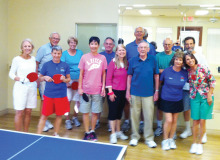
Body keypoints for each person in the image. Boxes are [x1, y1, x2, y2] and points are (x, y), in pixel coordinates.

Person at [126, 41, 159, 148]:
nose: (143, 49)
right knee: (134, 116)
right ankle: (135, 137)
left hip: (149, 93)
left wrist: (157, 91)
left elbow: (156, 76)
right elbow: (129, 76)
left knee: (149, 117)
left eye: (145, 47)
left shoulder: (153, 60)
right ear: (138, 49)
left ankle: (149, 138)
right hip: (135, 92)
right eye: (141, 47)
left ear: (148, 49)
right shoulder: (132, 60)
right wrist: (128, 91)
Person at [183, 53, 215, 155]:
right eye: (187, 59)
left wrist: (209, 95)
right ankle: (194, 143)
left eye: (191, 58)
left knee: (202, 121)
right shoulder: (187, 71)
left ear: (194, 59)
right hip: (194, 97)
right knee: (195, 121)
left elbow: (212, 81)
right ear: (186, 62)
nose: (190, 60)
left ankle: (200, 143)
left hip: (206, 97)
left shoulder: (203, 68)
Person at [78, 36, 107, 141]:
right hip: (85, 90)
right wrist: (79, 87)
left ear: (98, 45)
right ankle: (86, 132)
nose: (93, 46)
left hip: (97, 90)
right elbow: (81, 74)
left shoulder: (102, 58)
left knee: (95, 113)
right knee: (85, 112)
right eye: (92, 44)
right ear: (89, 45)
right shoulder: (84, 57)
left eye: (96, 44)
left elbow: (104, 74)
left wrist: (103, 87)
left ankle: (92, 131)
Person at [37, 46, 70, 136]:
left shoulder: (65, 65)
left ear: (61, 54)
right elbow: (39, 78)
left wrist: (64, 79)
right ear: (52, 54)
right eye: (55, 53)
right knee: (44, 115)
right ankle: (38, 134)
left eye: (58, 53)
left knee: (59, 116)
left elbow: (68, 79)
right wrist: (44, 77)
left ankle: (55, 133)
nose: (56, 55)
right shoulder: (46, 65)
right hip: (49, 95)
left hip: (61, 95)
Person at [180, 37, 208, 142]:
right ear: (184, 45)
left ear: (194, 44)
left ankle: (203, 133)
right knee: (186, 109)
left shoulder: (201, 56)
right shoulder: (182, 56)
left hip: (199, 90)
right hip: (186, 88)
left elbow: (206, 72)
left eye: (191, 43)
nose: (189, 46)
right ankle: (188, 129)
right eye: (187, 44)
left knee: (201, 111)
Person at [159, 52, 188, 150]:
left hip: (178, 99)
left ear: (183, 62)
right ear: (173, 60)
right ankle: (165, 140)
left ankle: (171, 139)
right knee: (169, 120)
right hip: (166, 98)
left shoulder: (185, 73)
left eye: (180, 60)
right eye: (176, 59)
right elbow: (160, 82)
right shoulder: (166, 71)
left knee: (175, 120)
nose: (178, 61)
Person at [9, 39, 37, 132]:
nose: (27, 48)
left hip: (31, 87)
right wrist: (20, 79)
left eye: (29, 46)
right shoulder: (16, 59)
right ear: (22, 48)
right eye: (25, 46)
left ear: (31, 48)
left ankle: (25, 133)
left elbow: (35, 74)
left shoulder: (33, 59)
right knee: (19, 112)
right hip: (20, 88)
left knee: (28, 111)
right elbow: (11, 74)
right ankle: (18, 134)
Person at [36, 32, 61, 132]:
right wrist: (37, 79)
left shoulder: (58, 48)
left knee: (50, 101)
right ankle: (42, 121)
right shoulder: (43, 48)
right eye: (54, 38)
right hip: (43, 78)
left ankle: (45, 120)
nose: (55, 40)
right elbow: (36, 63)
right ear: (49, 38)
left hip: (53, 80)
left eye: (57, 38)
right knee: (44, 100)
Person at [106, 44, 128, 144]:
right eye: (119, 50)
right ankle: (113, 134)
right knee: (113, 113)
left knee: (119, 113)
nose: (121, 52)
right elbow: (108, 79)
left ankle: (118, 131)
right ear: (116, 52)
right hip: (113, 91)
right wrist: (110, 92)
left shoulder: (126, 63)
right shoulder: (112, 63)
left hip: (123, 92)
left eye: (123, 50)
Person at [61, 36, 83, 130]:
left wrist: (81, 81)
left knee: (77, 101)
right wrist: (66, 81)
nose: (73, 44)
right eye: (71, 42)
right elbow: (62, 68)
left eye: (74, 42)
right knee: (68, 101)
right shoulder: (64, 54)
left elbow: (83, 67)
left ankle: (75, 117)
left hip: (78, 80)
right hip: (68, 80)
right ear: (69, 43)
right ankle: (67, 120)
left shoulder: (80, 53)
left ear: (76, 43)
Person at [155, 38, 175, 137]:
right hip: (161, 85)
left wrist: (163, 70)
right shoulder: (158, 56)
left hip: (173, 87)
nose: (167, 46)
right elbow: (155, 70)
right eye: (165, 44)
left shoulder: (175, 55)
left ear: (172, 45)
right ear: (163, 45)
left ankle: (171, 130)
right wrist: (169, 70)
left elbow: (178, 69)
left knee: (172, 109)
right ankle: (159, 127)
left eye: (169, 44)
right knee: (160, 108)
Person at [96, 37, 115, 130]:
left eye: (110, 44)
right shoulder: (99, 55)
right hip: (101, 84)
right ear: (104, 45)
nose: (108, 45)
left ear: (113, 46)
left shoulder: (116, 55)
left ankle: (110, 124)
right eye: (106, 43)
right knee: (99, 103)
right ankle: (96, 121)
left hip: (112, 85)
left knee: (111, 105)